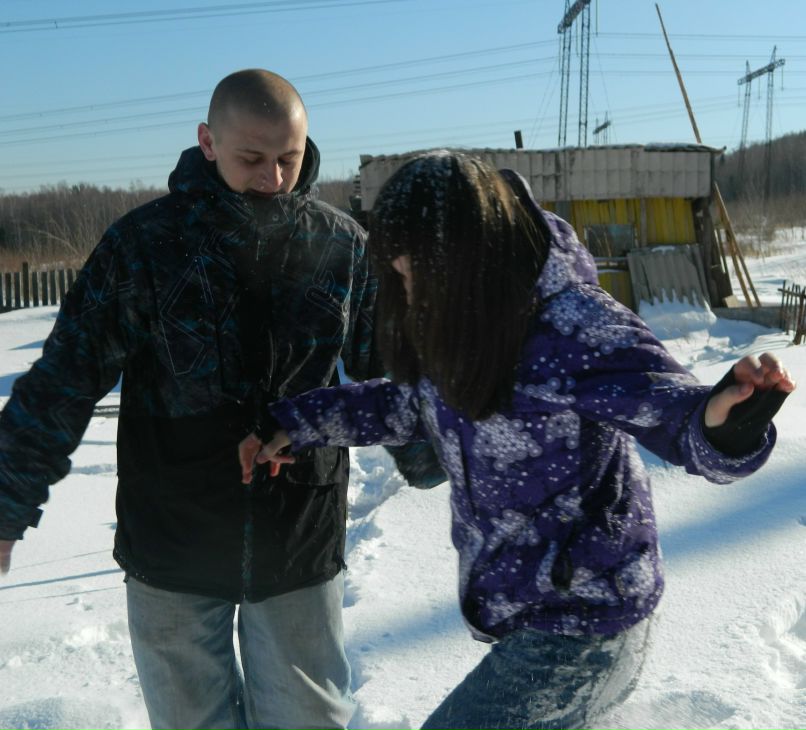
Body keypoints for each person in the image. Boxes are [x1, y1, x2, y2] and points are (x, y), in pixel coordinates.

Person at [238, 152, 796, 730]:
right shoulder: (461, 318)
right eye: (397, 271)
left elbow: (674, 413)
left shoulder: (571, 324)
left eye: (416, 269)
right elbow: (407, 402)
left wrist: (724, 424)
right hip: (530, 613)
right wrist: (298, 423)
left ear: (465, 253)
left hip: (585, 622)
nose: (407, 288)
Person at [0, 69, 377, 730]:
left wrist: (449, 459)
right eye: (251, 159)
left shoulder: (340, 244)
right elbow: (65, 378)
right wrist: (6, 503)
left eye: (289, 159)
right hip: (171, 539)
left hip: (298, 535)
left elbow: (396, 377)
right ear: (207, 141)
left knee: (310, 720)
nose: (273, 178)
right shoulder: (144, 245)